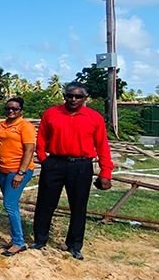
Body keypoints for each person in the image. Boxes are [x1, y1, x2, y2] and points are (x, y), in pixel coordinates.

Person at [33, 82, 113, 260]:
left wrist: (105, 172)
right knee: (45, 203)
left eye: (78, 96)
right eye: (70, 95)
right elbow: (41, 139)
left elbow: (102, 146)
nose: (74, 99)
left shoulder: (94, 117)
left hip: (81, 165)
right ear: (64, 96)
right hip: (55, 162)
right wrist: (44, 161)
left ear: (85, 98)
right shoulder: (51, 113)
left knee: (78, 206)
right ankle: (40, 239)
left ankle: (74, 245)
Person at [0, 97, 35, 257]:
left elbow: (29, 150)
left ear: (21, 111)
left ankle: (19, 242)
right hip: (3, 170)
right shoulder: (1, 125)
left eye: (15, 109)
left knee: (9, 204)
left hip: (18, 171)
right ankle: (15, 238)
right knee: (11, 205)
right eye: (8, 108)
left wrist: (21, 172)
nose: (11, 111)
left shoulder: (25, 126)